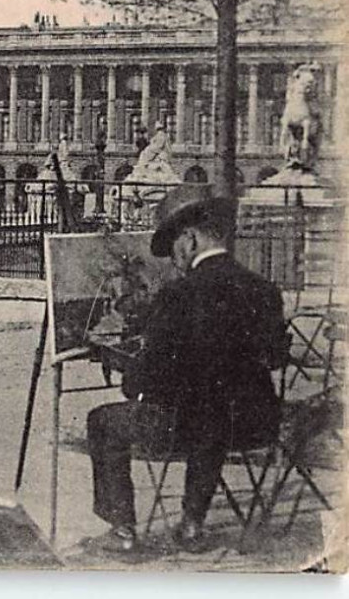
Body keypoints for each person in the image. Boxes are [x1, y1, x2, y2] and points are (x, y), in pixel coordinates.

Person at [85, 184, 282, 553]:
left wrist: (130, 373)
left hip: (188, 427)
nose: (173, 258)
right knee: (211, 412)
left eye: (174, 245)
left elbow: (148, 380)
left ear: (190, 240)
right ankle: (192, 523)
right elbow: (274, 357)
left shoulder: (179, 295)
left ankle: (123, 531)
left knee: (103, 420)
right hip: (254, 424)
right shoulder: (264, 290)